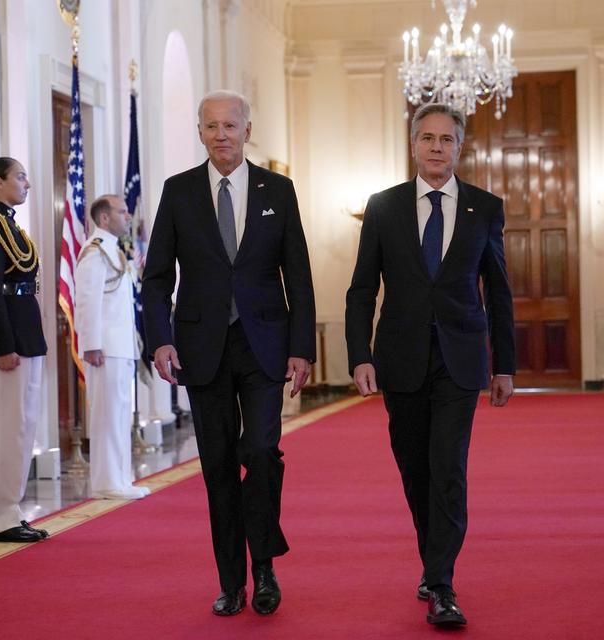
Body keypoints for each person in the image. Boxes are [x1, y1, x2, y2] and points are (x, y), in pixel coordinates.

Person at [142, 90, 316, 616]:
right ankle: (232, 581)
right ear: (200, 132)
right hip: (202, 348)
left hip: (265, 345)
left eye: (230, 125)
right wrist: (160, 339)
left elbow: (299, 277)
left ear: (247, 129)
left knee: (261, 452)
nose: (221, 134)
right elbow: (156, 279)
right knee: (218, 465)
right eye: (211, 126)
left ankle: (265, 567)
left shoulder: (277, 190)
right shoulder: (178, 192)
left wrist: (302, 348)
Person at [345, 103, 515, 627]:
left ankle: (441, 584)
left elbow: (500, 292)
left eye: (446, 139)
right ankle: (432, 558)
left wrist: (504, 364)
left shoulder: (485, 208)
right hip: (400, 359)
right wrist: (359, 357)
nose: (437, 147)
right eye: (427, 138)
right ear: (413, 145)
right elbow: (361, 289)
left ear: (460, 148)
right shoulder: (383, 206)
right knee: (415, 469)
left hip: (461, 360)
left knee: (448, 469)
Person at [0, 157, 49, 543]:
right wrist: (3, 345)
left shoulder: (10, 225)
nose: (27, 184)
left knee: (22, 427)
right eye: (20, 177)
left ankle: (11, 511)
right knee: (4, 428)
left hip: (25, 331)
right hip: (5, 339)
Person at [75, 195, 149, 501]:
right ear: (104, 218)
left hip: (120, 345)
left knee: (119, 413)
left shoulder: (113, 249)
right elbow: (87, 300)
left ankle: (120, 478)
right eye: (122, 211)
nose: (128, 215)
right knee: (107, 414)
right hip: (104, 347)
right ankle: (107, 482)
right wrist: (91, 344)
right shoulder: (95, 252)